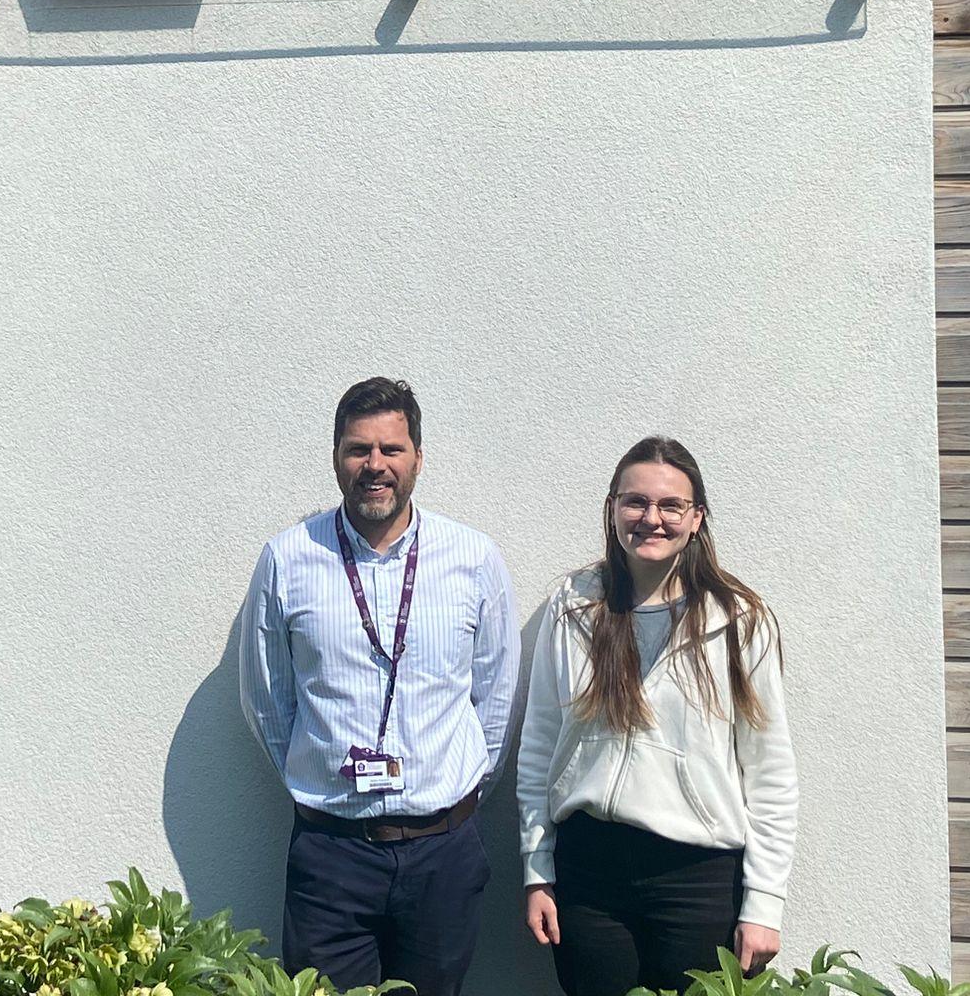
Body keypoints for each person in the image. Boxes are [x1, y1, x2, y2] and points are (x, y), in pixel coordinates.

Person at [238, 376, 519, 996]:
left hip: (443, 851)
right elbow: (266, 701)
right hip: (331, 852)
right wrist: (316, 782)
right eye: (357, 449)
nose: (375, 466)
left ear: (418, 456)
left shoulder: (474, 559)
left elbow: (496, 700)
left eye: (391, 450)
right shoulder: (287, 560)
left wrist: (458, 791)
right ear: (336, 456)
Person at [516, 436, 796, 996]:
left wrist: (765, 902)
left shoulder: (739, 621)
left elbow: (769, 771)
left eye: (671, 506)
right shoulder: (575, 607)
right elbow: (540, 746)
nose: (652, 519)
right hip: (590, 877)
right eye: (635, 502)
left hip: (697, 880)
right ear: (613, 509)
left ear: (696, 518)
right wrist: (536, 867)